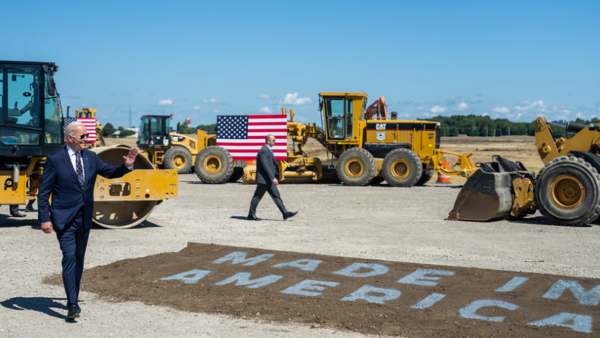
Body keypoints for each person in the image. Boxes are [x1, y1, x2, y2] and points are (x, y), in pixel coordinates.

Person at [38, 121, 138, 319]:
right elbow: (43, 192)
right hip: (63, 218)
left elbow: (110, 173)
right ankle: (73, 304)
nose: (87, 139)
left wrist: (127, 166)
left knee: (79, 260)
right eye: (83, 136)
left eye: (87, 136)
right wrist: (44, 218)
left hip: (84, 218)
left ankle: (71, 296)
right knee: (69, 257)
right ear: (71, 138)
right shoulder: (55, 159)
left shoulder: (91, 157)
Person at [247, 134, 297, 221]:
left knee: (276, 196)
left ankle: (285, 213)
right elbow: (265, 166)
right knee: (257, 197)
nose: (275, 142)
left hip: (269, 180)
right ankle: (251, 215)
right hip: (264, 179)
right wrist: (273, 178)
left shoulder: (268, 150)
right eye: (273, 140)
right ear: (268, 141)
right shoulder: (263, 151)